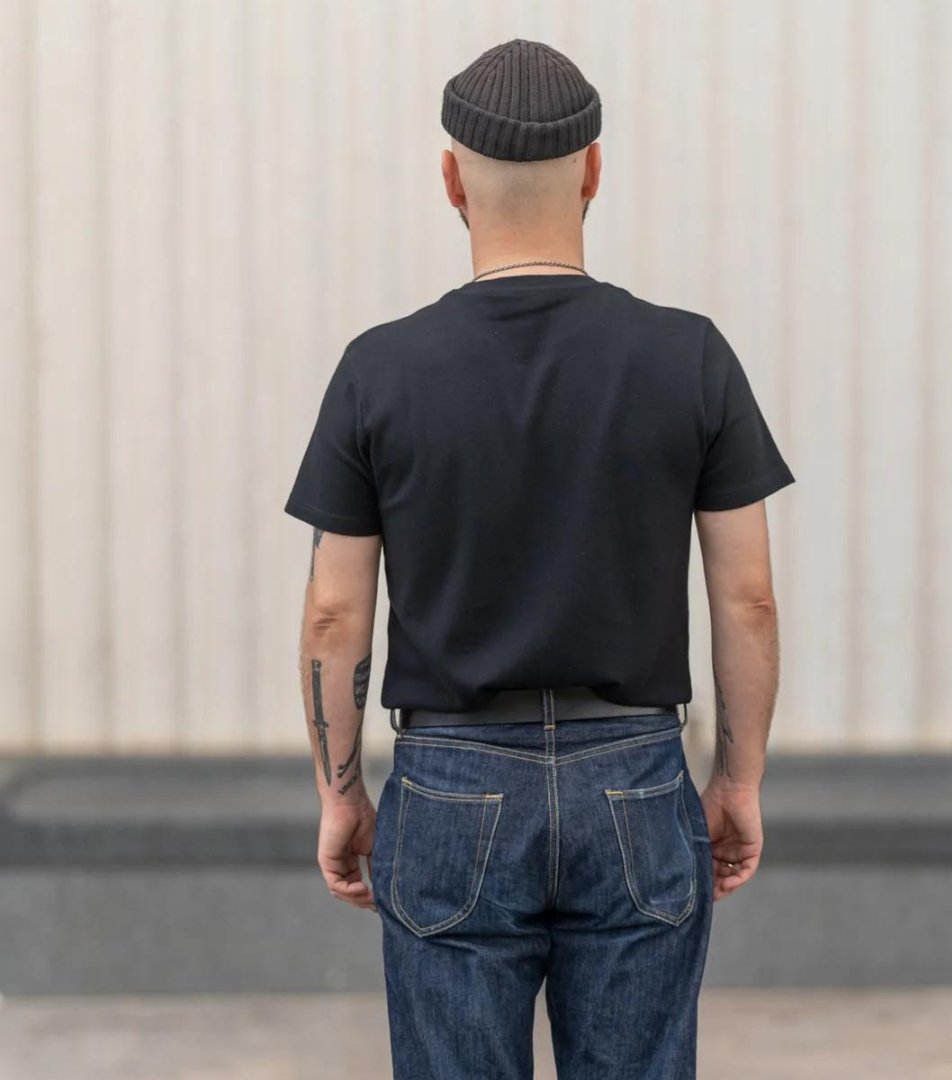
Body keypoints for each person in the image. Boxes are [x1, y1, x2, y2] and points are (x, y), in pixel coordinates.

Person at [283, 36, 795, 1080]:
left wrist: (341, 794)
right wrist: (737, 780)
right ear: (594, 171)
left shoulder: (380, 369)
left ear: (451, 180)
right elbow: (747, 598)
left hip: (449, 782)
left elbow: (334, 614)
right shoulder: (690, 355)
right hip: (637, 780)